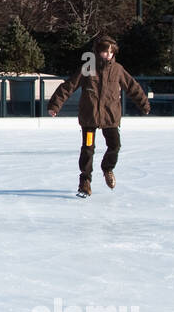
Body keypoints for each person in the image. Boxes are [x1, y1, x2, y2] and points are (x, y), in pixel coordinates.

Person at [47, 33, 150, 197]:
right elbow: (68, 86)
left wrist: (143, 104)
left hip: (110, 117)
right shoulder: (88, 68)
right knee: (88, 149)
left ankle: (107, 168)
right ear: (97, 52)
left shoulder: (118, 70)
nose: (108, 55)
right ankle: (85, 182)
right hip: (90, 117)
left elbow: (133, 87)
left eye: (111, 52)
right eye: (105, 51)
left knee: (115, 145)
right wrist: (55, 105)